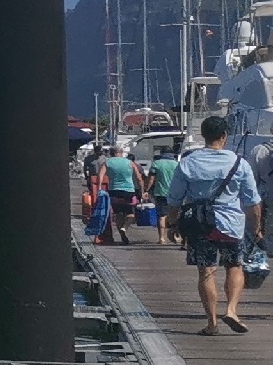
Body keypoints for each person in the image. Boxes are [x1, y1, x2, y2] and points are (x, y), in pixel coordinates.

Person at [166, 114, 263, 335]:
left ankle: (212, 323)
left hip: (200, 225)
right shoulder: (239, 163)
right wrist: (256, 228)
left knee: (206, 271)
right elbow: (253, 202)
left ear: (204, 135)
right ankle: (231, 310)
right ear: (224, 136)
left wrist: (172, 224)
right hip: (232, 224)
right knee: (234, 266)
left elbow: (174, 199)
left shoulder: (189, 162)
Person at [101, 140, 142, 247]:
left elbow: (100, 176)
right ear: (122, 152)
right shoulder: (129, 163)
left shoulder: (108, 162)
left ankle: (122, 234)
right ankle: (125, 228)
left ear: (111, 153)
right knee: (131, 214)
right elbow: (139, 178)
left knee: (118, 214)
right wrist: (142, 190)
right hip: (128, 191)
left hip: (114, 190)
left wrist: (100, 189)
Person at [149, 140, 181, 245]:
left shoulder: (156, 164)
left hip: (160, 193)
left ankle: (162, 238)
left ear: (162, 154)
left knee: (161, 215)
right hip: (175, 193)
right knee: (175, 214)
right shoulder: (177, 164)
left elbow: (151, 179)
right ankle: (177, 235)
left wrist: (146, 189)